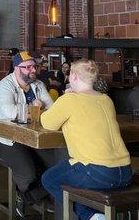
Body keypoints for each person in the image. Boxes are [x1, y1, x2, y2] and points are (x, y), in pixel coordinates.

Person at [41, 59, 132, 220]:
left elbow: (47, 123)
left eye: (69, 74)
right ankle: (96, 213)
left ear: (74, 77)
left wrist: (64, 98)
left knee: (49, 178)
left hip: (98, 172)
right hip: (125, 171)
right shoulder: (106, 99)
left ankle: (91, 216)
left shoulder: (69, 100)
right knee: (70, 170)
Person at [0, 51, 57, 218]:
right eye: (28, 67)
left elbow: (53, 108)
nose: (33, 70)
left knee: (55, 163)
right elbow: (10, 112)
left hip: (30, 135)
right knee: (28, 172)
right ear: (17, 69)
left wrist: (37, 110)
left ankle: (36, 197)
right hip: (3, 136)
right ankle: (25, 196)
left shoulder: (38, 84)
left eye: (34, 66)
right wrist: (36, 109)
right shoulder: (5, 85)